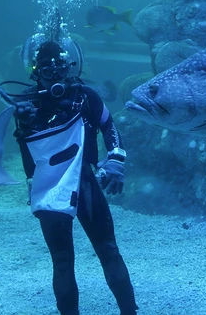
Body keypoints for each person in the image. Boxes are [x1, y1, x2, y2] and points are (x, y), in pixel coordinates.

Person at [10, 40, 137, 315]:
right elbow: (27, 152)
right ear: (35, 72)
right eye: (47, 69)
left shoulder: (86, 96)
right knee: (63, 261)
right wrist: (24, 123)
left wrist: (116, 157)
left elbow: (108, 124)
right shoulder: (27, 105)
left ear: (69, 68)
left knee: (108, 251)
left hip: (84, 181)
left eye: (59, 68)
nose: (54, 75)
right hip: (50, 187)